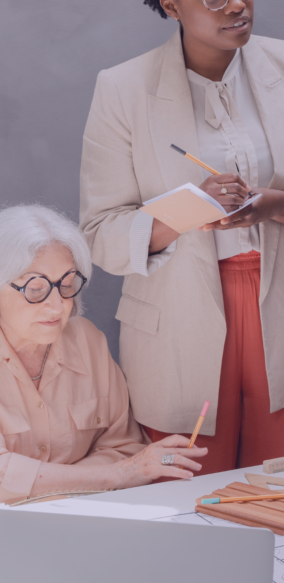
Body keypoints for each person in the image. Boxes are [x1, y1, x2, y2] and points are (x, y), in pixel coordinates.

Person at [80, 0, 284, 475]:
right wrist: (191, 207)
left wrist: (275, 205)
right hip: (175, 328)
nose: (237, 4)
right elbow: (100, 233)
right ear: (171, 5)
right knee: (190, 507)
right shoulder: (121, 89)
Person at [0, 205, 206, 505]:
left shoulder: (87, 341)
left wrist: (53, 491)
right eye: (36, 289)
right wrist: (116, 475)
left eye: (67, 285)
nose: (58, 307)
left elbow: (124, 445)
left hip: (86, 517)